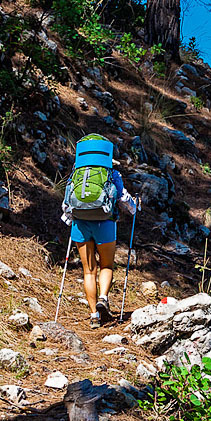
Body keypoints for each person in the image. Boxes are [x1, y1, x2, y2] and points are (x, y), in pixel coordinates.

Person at [62, 135, 139, 328]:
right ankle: (103, 297)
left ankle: (94, 315)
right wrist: (134, 207)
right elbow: (123, 198)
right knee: (106, 266)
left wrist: (69, 219)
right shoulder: (112, 174)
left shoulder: (76, 173)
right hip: (105, 224)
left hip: (80, 225)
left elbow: (66, 204)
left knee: (89, 271)